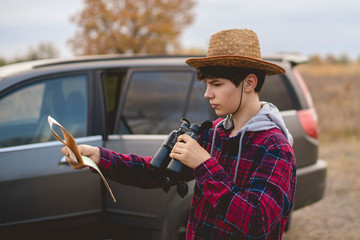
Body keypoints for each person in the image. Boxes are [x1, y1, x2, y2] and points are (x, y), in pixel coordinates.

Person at [61, 29, 296, 239]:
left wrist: (204, 164)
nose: (207, 94)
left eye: (216, 84)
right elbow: (155, 173)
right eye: (206, 85)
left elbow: (258, 222)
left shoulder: (275, 148)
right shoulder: (214, 133)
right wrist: (99, 157)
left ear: (249, 82)